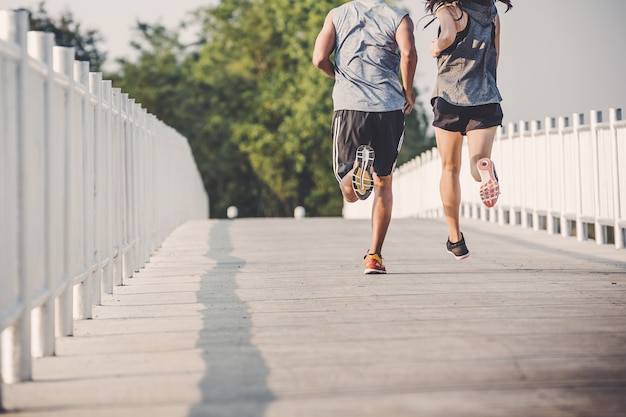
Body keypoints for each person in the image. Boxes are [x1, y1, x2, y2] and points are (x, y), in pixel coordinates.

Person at [313, 0, 418, 274]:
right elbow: (407, 53)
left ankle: (355, 172)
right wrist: (408, 91)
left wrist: (337, 76)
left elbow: (319, 59)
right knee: (383, 183)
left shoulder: (337, 15)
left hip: (350, 106)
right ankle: (374, 256)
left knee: (349, 191)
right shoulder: (399, 17)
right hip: (389, 107)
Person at [426, 0, 512, 260]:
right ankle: (484, 167)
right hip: (485, 96)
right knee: (477, 164)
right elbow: (496, 56)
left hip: (450, 96)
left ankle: (455, 239)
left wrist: (436, 47)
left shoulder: (447, 8)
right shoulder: (492, 13)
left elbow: (449, 34)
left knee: (450, 168)